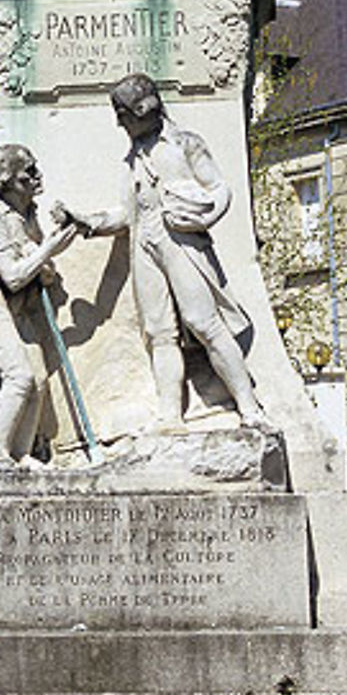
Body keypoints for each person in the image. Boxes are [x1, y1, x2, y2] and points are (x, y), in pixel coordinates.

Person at [55, 74, 266, 429]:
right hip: (145, 243)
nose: (118, 121)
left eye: (122, 113)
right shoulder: (132, 158)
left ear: (144, 109)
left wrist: (202, 217)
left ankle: (249, 408)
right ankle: (170, 415)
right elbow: (127, 213)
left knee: (204, 323)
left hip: (181, 241)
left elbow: (218, 188)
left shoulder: (185, 143)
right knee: (159, 331)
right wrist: (85, 221)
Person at [0, 144, 77, 468]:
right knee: (19, 376)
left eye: (35, 168)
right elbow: (13, 276)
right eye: (28, 172)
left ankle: (19, 453)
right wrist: (49, 250)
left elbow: (39, 269)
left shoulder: (28, 213)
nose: (36, 177)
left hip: (17, 304)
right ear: (8, 181)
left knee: (38, 378)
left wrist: (46, 254)